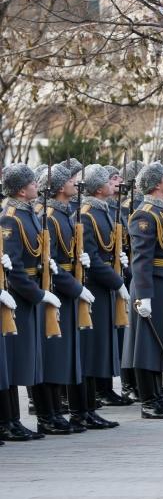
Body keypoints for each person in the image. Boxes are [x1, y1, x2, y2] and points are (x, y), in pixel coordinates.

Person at [122, 162, 163, 419]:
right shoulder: (145, 214)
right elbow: (141, 259)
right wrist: (144, 295)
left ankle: (159, 397)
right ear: (156, 184)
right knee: (147, 345)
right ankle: (149, 401)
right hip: (152, 285)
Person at [0, 164, 51, 440]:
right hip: (18, 296)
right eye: (32, 183)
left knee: (20, 362)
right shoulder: (10, 218)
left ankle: (13, 420)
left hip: (27, 292)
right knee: (10, 363)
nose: (36, 186)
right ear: (21, 189)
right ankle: (7, 421)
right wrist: (37, 294)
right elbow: (15, 268)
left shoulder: (26, 212)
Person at [39, 164, 90, 434]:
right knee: (55, 355)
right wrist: (75, 288)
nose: (76, 184)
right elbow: (51, 263)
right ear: (60, 187)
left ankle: (68, 412)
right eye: (72, 180)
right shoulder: (50, 216)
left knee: (68, 353)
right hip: (58, 290)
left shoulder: (66, 214)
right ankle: (51, 414)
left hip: (69, 286)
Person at [77, 164, 127, 429]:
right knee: (90, 351)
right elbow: (92, 259)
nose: (114, 183)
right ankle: (84, 407)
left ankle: (90, 407)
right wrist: (117, 282)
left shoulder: (102, 211)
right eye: (109, 180)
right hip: (94, 289)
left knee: (99, 349)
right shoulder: (88, 215)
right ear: (98, 187)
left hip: (104, 287)